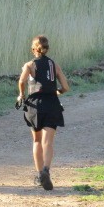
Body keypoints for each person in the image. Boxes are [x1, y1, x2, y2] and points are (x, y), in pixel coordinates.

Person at [17, 35, 70, 191]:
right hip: (52, 103)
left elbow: (21, 81)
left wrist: (22, 95)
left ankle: (40, 174)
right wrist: (57, 92)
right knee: (48, 142)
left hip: (34, 106)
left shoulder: (29, 65)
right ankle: (46, 170)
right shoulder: (54, 65)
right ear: (47, 49)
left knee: (37, 141)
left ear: (33, 49)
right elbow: (65, 87)